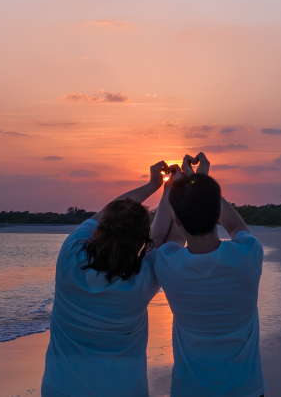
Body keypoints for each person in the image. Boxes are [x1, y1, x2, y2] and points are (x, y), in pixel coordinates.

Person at [41, 161, 171, 397]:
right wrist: (171, 190)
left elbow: (105, 213)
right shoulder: (141, 281)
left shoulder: (70, 256)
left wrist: (153, 185)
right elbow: (162, 238)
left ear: (104, 228)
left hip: (60, 389)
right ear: (142, 239)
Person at [151, 153, 267, 397]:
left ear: (179, 221)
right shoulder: (248, 254)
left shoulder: (169, 264)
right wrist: (200, 181)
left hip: (190, 390)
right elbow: (235, 227)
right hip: (246, 390)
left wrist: (172, 187)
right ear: (217, 215)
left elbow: (162, 238)